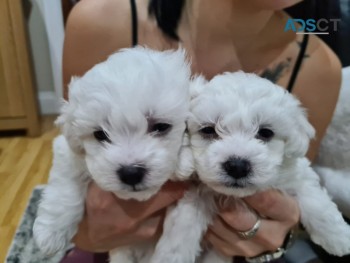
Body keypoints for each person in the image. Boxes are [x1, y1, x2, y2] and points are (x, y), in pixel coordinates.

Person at [61, 0, 342, 262]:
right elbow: (73, 163)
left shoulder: (320, 66)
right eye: (210, 131)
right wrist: (82, 230)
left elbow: (294, 187)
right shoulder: (101, 19)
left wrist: (278, 238)